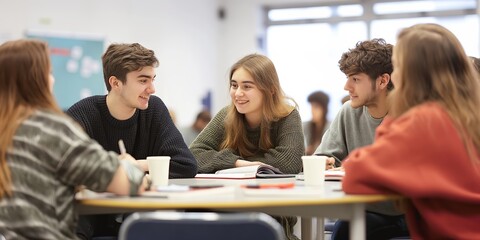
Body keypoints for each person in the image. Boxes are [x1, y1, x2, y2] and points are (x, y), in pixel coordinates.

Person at [342, 23, 480, 239]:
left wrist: (397, 111)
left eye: (398, 67)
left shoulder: (424, 120)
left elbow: (355, 175)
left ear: (411, 74)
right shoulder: (468, 114)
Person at [0, 39, 147, 239]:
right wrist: (129, 164)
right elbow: (131, 183)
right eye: (50, 73)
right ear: (37, 79)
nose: (53, 79)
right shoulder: (52, 130)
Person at [66, 43, 197, 239]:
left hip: (141, 213)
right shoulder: (82, 114)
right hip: (91, 218)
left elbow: (186, 164)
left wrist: (136, 165)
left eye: (152, 79)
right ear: (116, 83)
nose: (151, 89)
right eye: (143, 80)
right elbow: (66, 168)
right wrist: (117, 170)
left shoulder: (154, 109)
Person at [190, 53, 304, 240]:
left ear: (270, 90)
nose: (237, 93)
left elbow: (288, 162)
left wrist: (226, 164)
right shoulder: (226, 116)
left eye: (247, 86)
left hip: (270, 212)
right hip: (226, 205)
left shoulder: (288, 116)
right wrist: (236, 163)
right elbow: (193, 155)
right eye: (234, 85)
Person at [314, 39, 409, 239]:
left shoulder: (408, 114)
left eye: (355, 79)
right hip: (363, 209)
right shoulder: (348, 111)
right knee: (346, 227)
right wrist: (325, 163)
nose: (346, 87)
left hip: (408, 214)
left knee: (345, 229)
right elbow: (322, 158)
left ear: (383, 81)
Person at [303, 91, 330, 155]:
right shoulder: (305, 126)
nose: (312, 111)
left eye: (316, 107)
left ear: (324, 109)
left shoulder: (331, 127)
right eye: (311, 107)